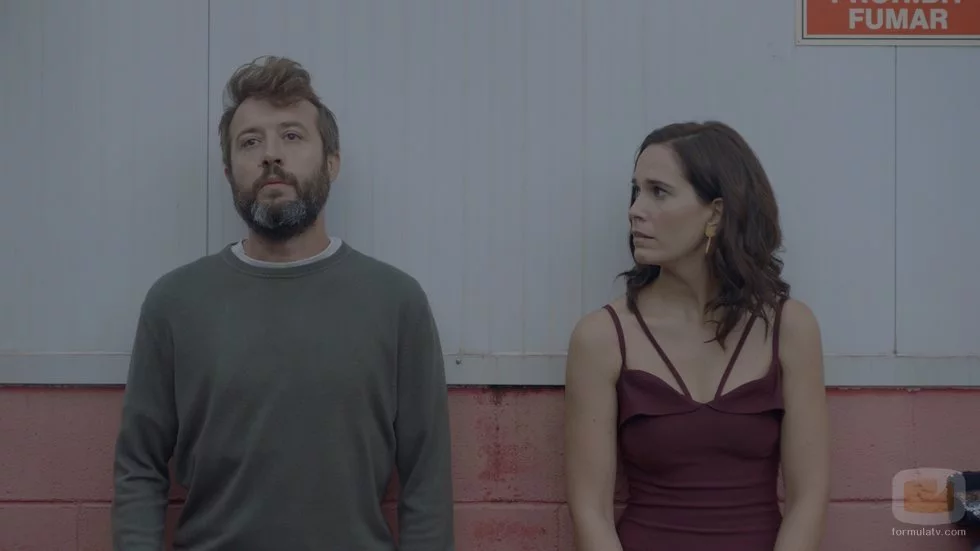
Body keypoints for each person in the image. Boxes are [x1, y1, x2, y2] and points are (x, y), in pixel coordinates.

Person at [111, 55, 455, 551]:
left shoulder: (396, 302)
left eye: (292, 136)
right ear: (229, 171)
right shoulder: (175, 303)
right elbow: (139, 468)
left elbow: (427, 481)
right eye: (250, 142)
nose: (271, 155)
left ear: (332, 162)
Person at [564, 121, 830, 550]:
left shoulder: (791, 329)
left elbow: (809, 499)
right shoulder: (602, 338)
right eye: (635, 191)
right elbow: (590, 511)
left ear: (716, 213)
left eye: (658, 191)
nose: (635, 209)